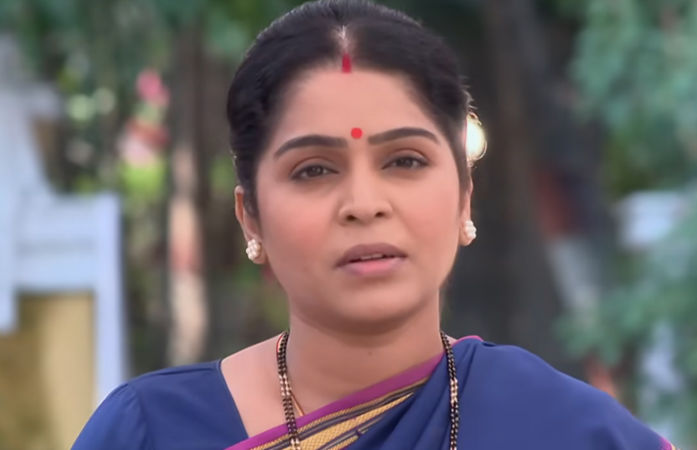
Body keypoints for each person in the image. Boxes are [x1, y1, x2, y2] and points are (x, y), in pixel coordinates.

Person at [73, 1, 677, 449]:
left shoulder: (568, 432)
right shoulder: (151, 431)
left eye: (405, 161)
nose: (364, 204)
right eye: (313, 170)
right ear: (250, 215)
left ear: (464, 198)